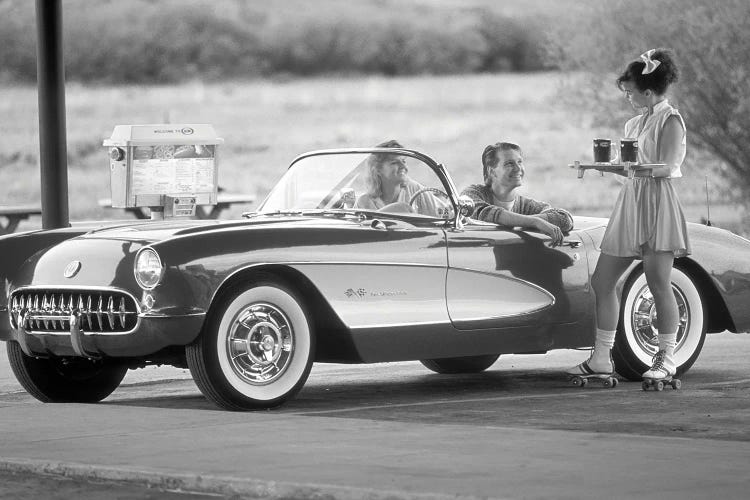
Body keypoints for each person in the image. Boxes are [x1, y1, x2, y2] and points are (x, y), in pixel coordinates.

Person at [566, 48, 690, 383]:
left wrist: (635, 169)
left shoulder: (670, 119)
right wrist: (607, 167)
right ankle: (601, 357)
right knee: (602, 281)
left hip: (658, 202)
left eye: (630, 92)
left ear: (648, 91)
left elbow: (668, 166)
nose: (627, 97)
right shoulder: (634, 123)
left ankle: (666, 357)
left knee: (658, 283)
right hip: (631, 202)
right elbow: (632, 169)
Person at [460, 142, 572, 246]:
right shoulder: (472, 194)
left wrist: (521, 221)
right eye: (509, 163)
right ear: (491, 171)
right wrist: (535, 222)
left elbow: (564, 219)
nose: (518, 168)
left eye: (519, 162)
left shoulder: (528, 205)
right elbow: (484, 214)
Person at [354, 140, 440, 216]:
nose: (403, 166)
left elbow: (440, 219)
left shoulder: (417, 192)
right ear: (377, 170)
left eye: (403, 161)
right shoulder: (364, 203)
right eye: (394, 162)